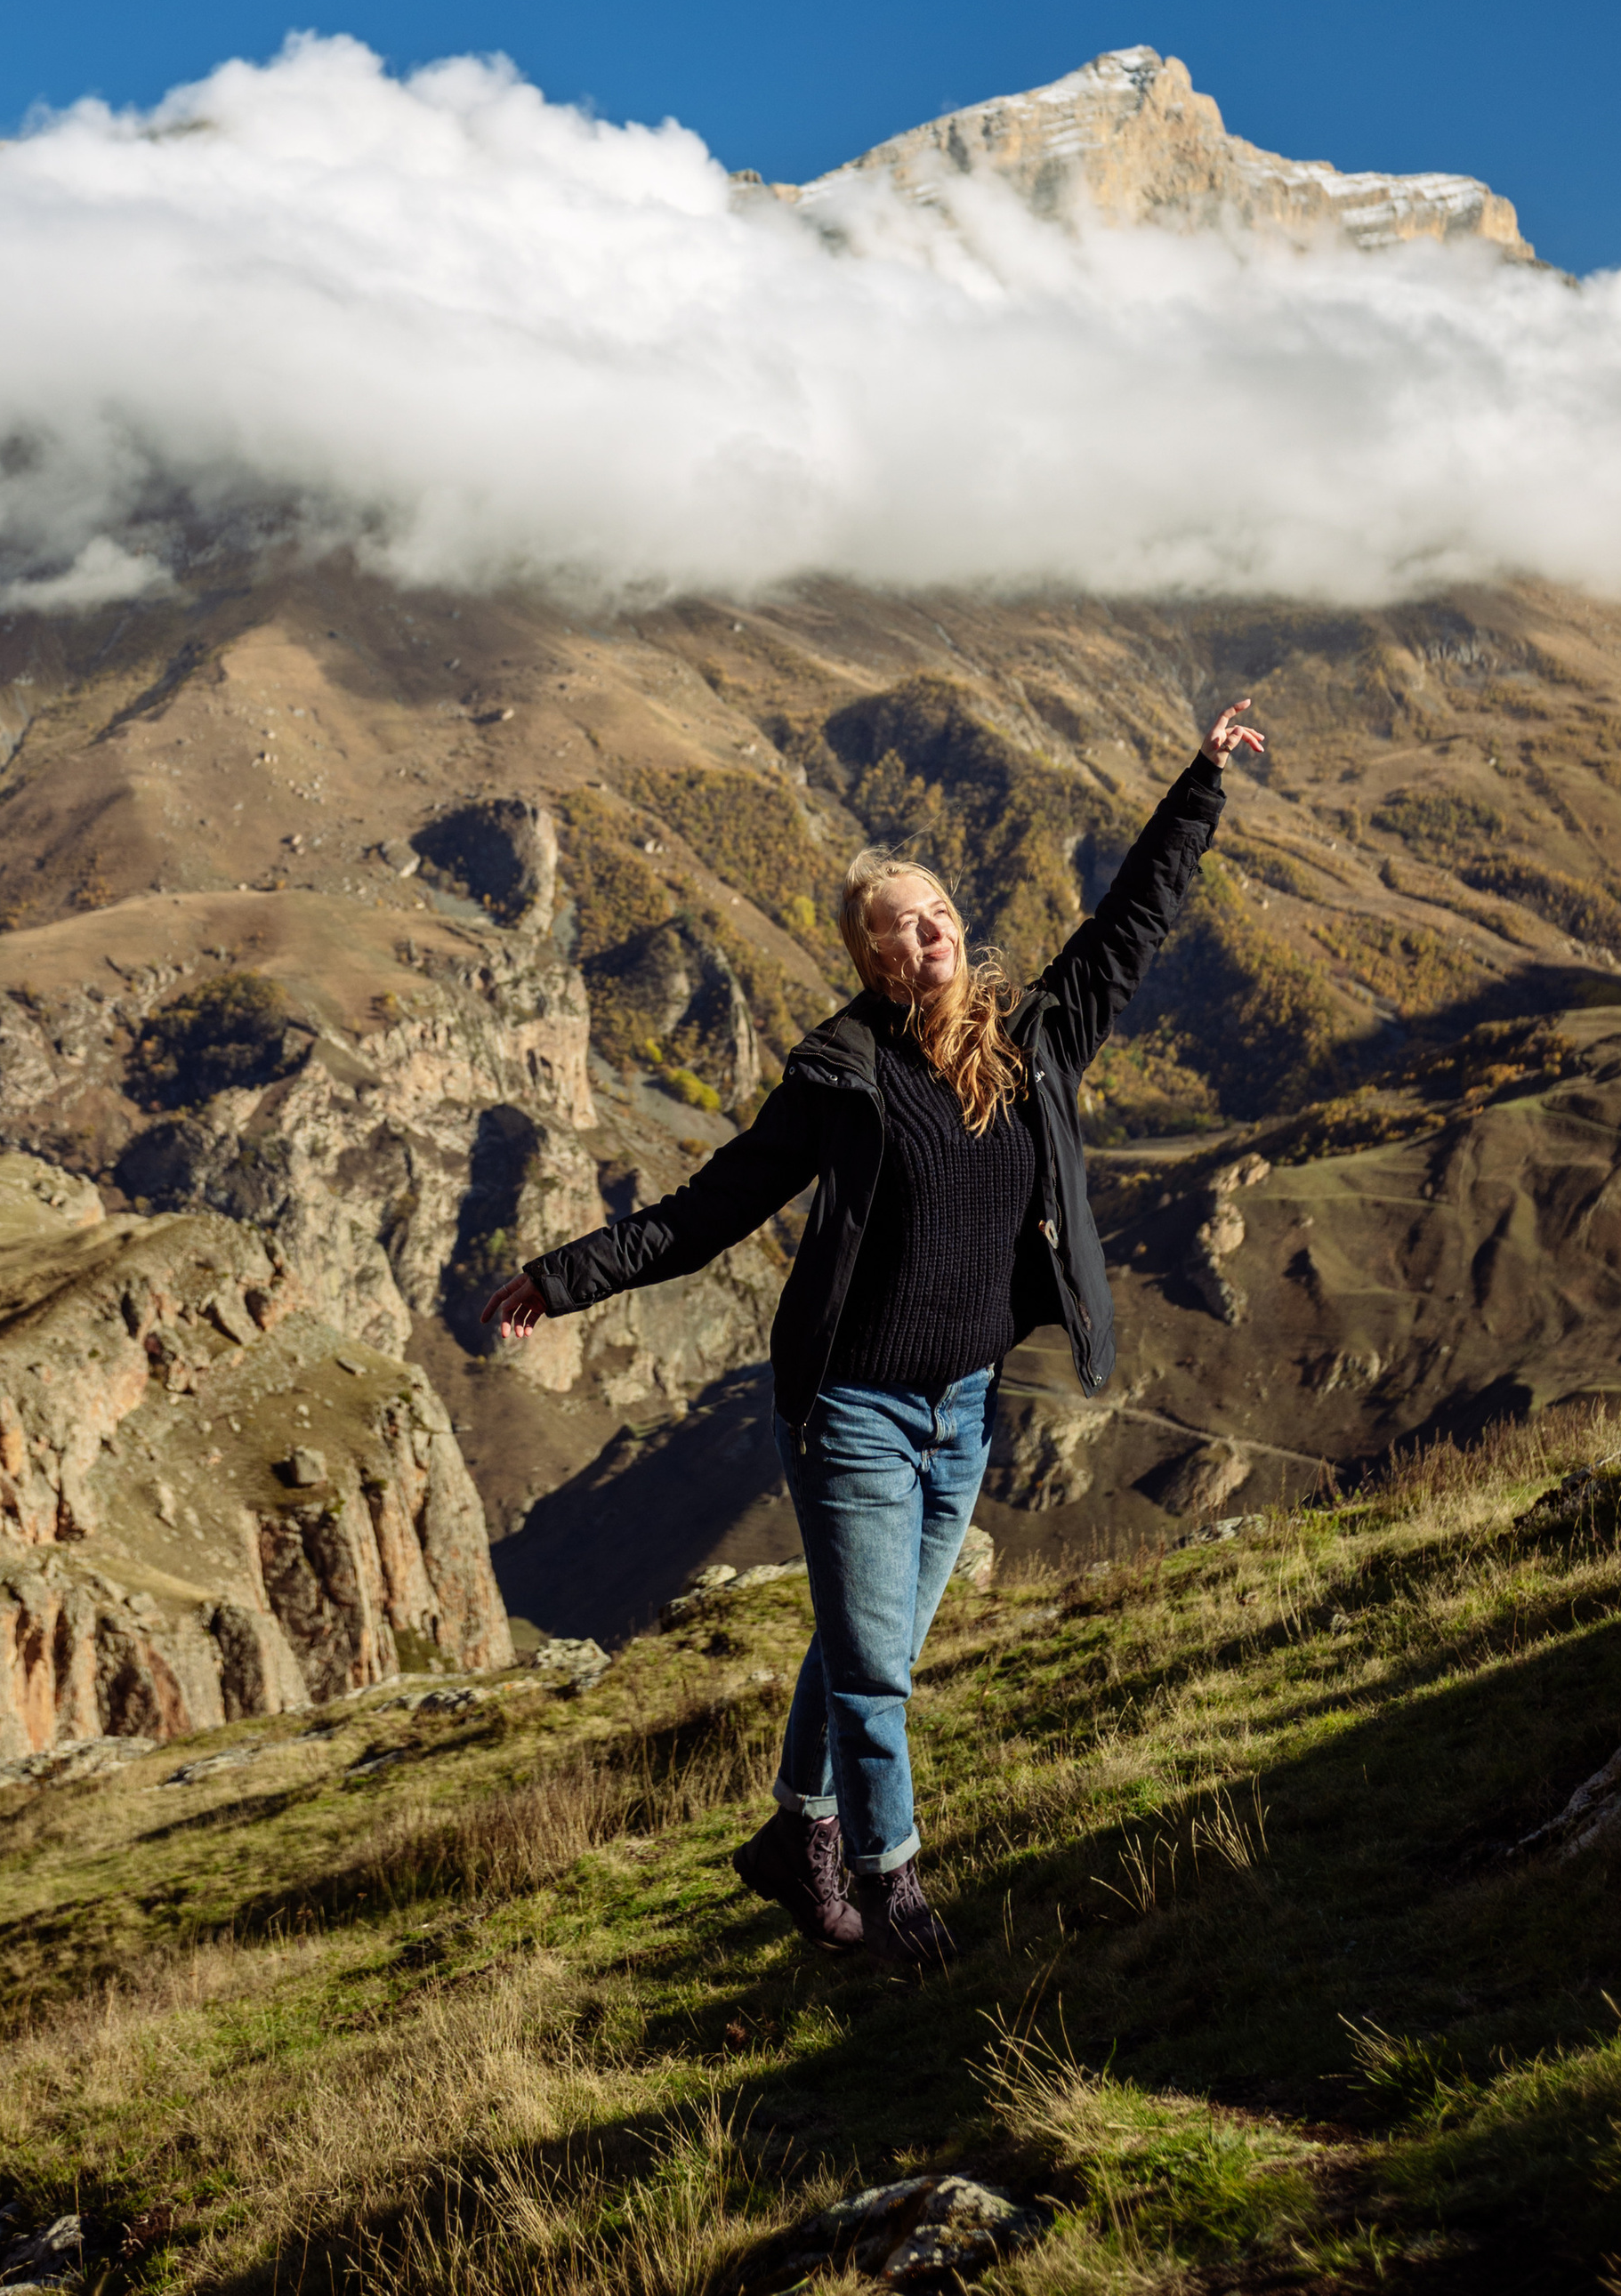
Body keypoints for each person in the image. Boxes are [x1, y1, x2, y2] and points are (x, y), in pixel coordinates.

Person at [481, 695, 1264, 1969]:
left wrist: (1200, 784)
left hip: (965, 1408)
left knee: (873, 1645)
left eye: (937, 908)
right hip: (852, 1409)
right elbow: (711, 1209)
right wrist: (561, 1280)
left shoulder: (1035, 1041)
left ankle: (796, 1834)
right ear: (871, 957)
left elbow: (1131, 922)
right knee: (874, 1675)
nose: (928, 928)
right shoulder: (841, 1079)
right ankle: (891, 1886)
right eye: (898, 922)